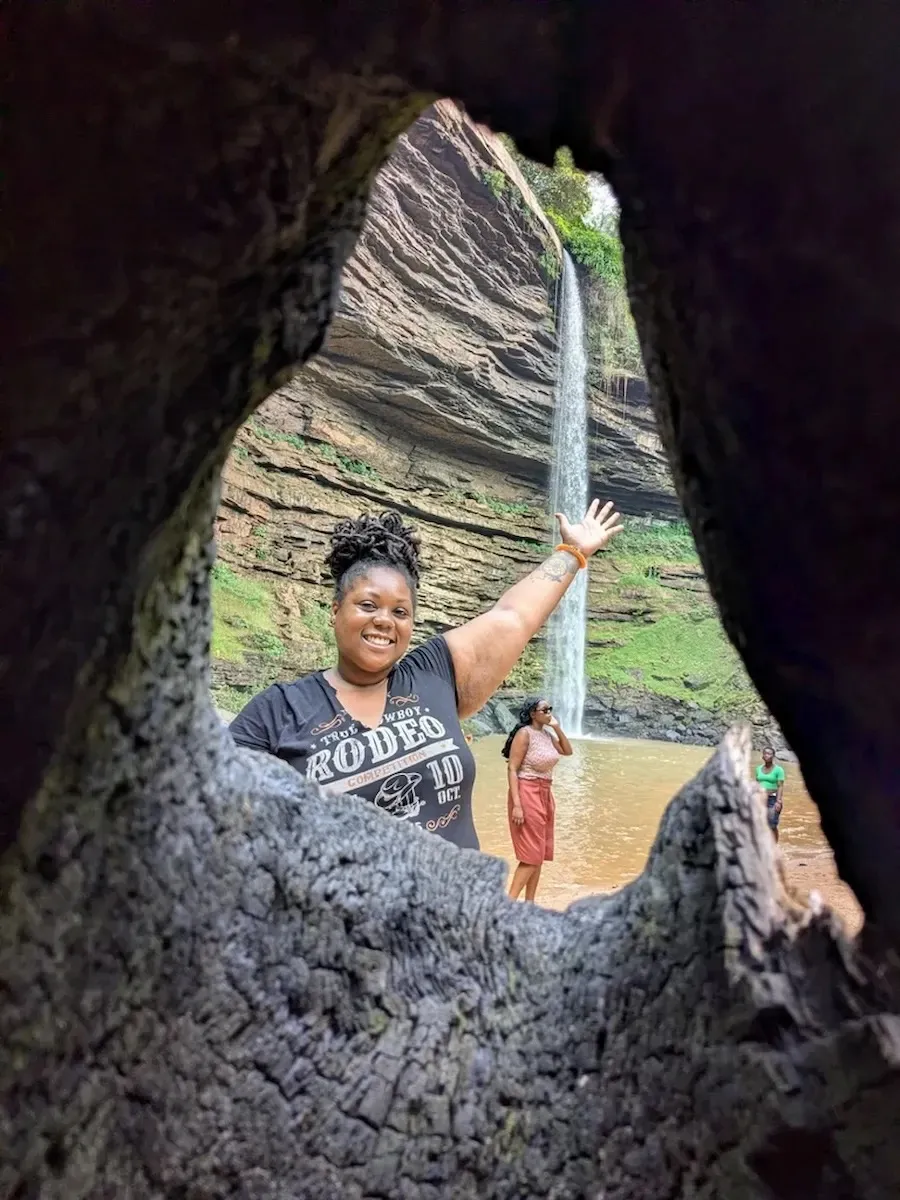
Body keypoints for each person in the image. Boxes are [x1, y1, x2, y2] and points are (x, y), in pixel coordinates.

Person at [229, 502, 623, 848]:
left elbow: (514, 617)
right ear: (335, 611)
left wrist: (573, 552)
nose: (384, 620)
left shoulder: (434, 674)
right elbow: (209, 813)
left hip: (462, 917)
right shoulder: (277, 712)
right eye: (368, 605)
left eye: (400, 612)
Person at [502, 697, 572, 901]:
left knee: (539, 854)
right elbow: (512, 768)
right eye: (545, 709)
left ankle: (529, 904)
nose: (549, 712)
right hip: (527, 792)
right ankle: (507, 904)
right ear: (533, 713)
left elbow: (567, 751)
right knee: (531, 855)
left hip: (545, 793)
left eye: (551, 708)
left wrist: (557, 727)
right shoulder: (525, 734)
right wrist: (517, 804)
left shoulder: (547, 735)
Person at [756, 745, 786, 841]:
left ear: (773, 756)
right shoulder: (758, 769)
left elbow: (780, 785)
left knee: (772, 824)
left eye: (769, 753)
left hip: (773, 799)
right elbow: (757, 783)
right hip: (760, 799)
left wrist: (779, 801)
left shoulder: (778, 770)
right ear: (762, 756)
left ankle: (774, 847)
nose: (767, 755)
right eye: (765, 753)